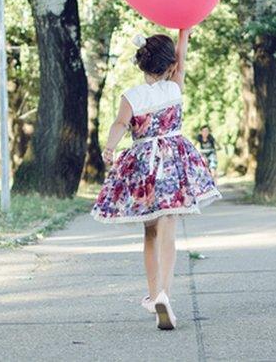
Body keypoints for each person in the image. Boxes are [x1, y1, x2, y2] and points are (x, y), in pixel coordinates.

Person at [92, 29, 221, 331]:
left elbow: (120, 124)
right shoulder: (174, 89)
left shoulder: (132, 96)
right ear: (172, 66)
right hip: (173, 165)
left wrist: (110, 148)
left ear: (142, 63)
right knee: (169, 232)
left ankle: (154, 293)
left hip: (146, 169)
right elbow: (183, 55)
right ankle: (165, 294)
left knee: (150, 233)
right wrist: (184, 30)